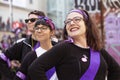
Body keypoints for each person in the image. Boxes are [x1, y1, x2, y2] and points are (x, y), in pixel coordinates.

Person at [28, 9, 120, 80]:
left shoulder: (97, 49)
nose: (71, 23)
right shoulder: (63, 48)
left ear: (87, 24)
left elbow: (116, 70)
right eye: (68, 21)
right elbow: (35, 69)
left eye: (77, 19)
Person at [0, 10, 45, 80]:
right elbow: (2, 58)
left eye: (32, 20)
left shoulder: (53, 44)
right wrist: (11, 77)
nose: (29, 22)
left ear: (43, 22)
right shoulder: (22, 44)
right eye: (27, 20)